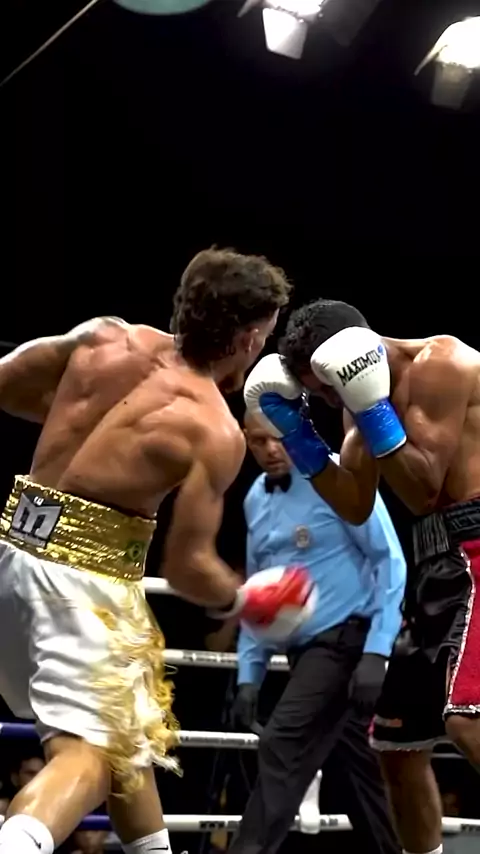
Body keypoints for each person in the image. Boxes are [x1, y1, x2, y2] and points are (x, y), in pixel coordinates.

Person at [0, 247, 301, 854]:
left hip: (13, 551)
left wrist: (85, 431)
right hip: (84, 585)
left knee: (127, 735)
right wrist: (244, 598)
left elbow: (6, 386)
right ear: (248, 338)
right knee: (90, 755)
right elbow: (187, 566)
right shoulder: (212, 428)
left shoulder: (102, 337)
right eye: (264, 337)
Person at [244, 297, 480, 854]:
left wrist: (373, 409)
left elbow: (423, 487)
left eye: (329, 389)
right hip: (437, 565)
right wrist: (299, 436)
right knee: (397, 747)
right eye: (320, 395)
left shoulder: (443, 363)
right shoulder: (356, 398)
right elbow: (354, 502)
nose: (331, 402)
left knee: (469, 721)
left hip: (477, 549)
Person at [228, 411, 405, 854]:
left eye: (277, 438)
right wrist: (249, 674)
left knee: (282, 743)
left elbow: (389, 559)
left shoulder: (336, 474)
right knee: (360, 778)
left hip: (348, 641)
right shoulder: (255, 497)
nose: (270, 450)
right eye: (258, 442)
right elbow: (258, 590)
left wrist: (378, 650)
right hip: (305, 654)